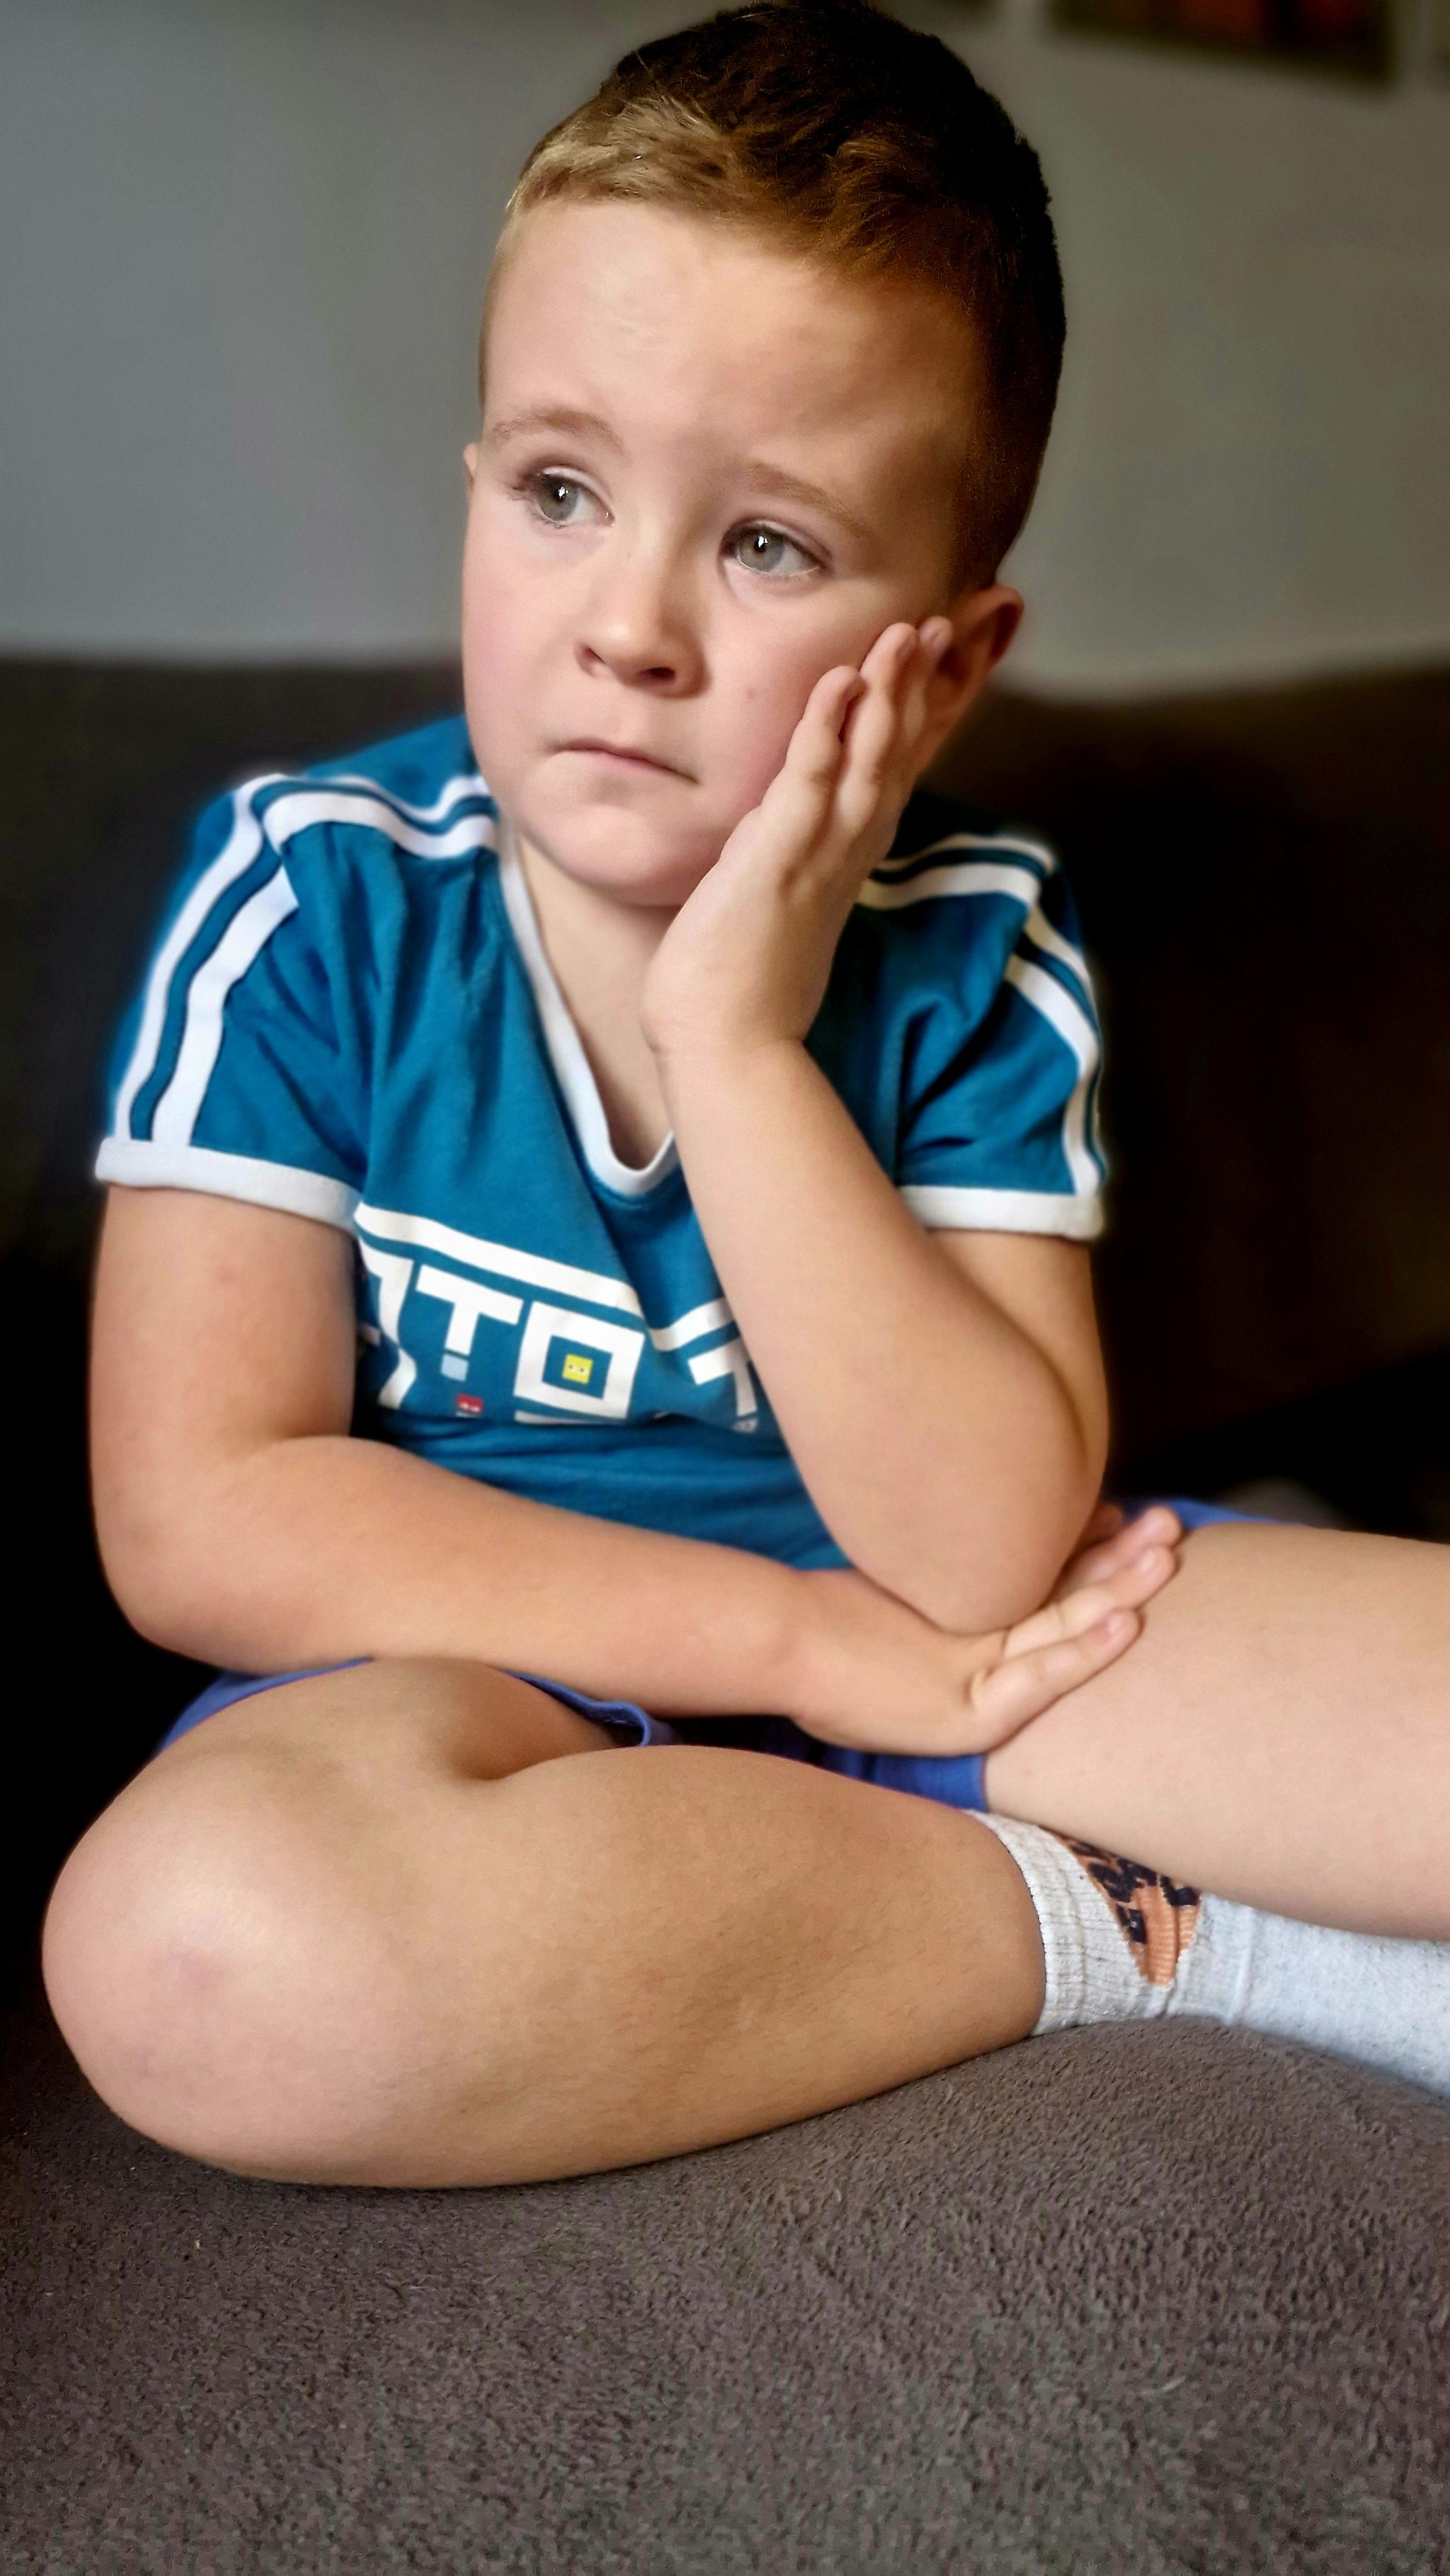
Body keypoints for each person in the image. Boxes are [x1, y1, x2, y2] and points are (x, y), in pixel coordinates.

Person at [42, 0, 1449, 2189]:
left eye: (768, 544)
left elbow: (977, 1553)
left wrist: (736, 1040)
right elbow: (198, 1518)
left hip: (952, 1632)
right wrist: (793, 1645)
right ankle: (1133, 1936)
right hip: (480, 1665)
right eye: (561, 490)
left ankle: (994, 1856)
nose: (630, 625)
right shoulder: (311, 898)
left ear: (949, 663)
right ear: (476, 492)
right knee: (201, 1955)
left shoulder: (977, 934)